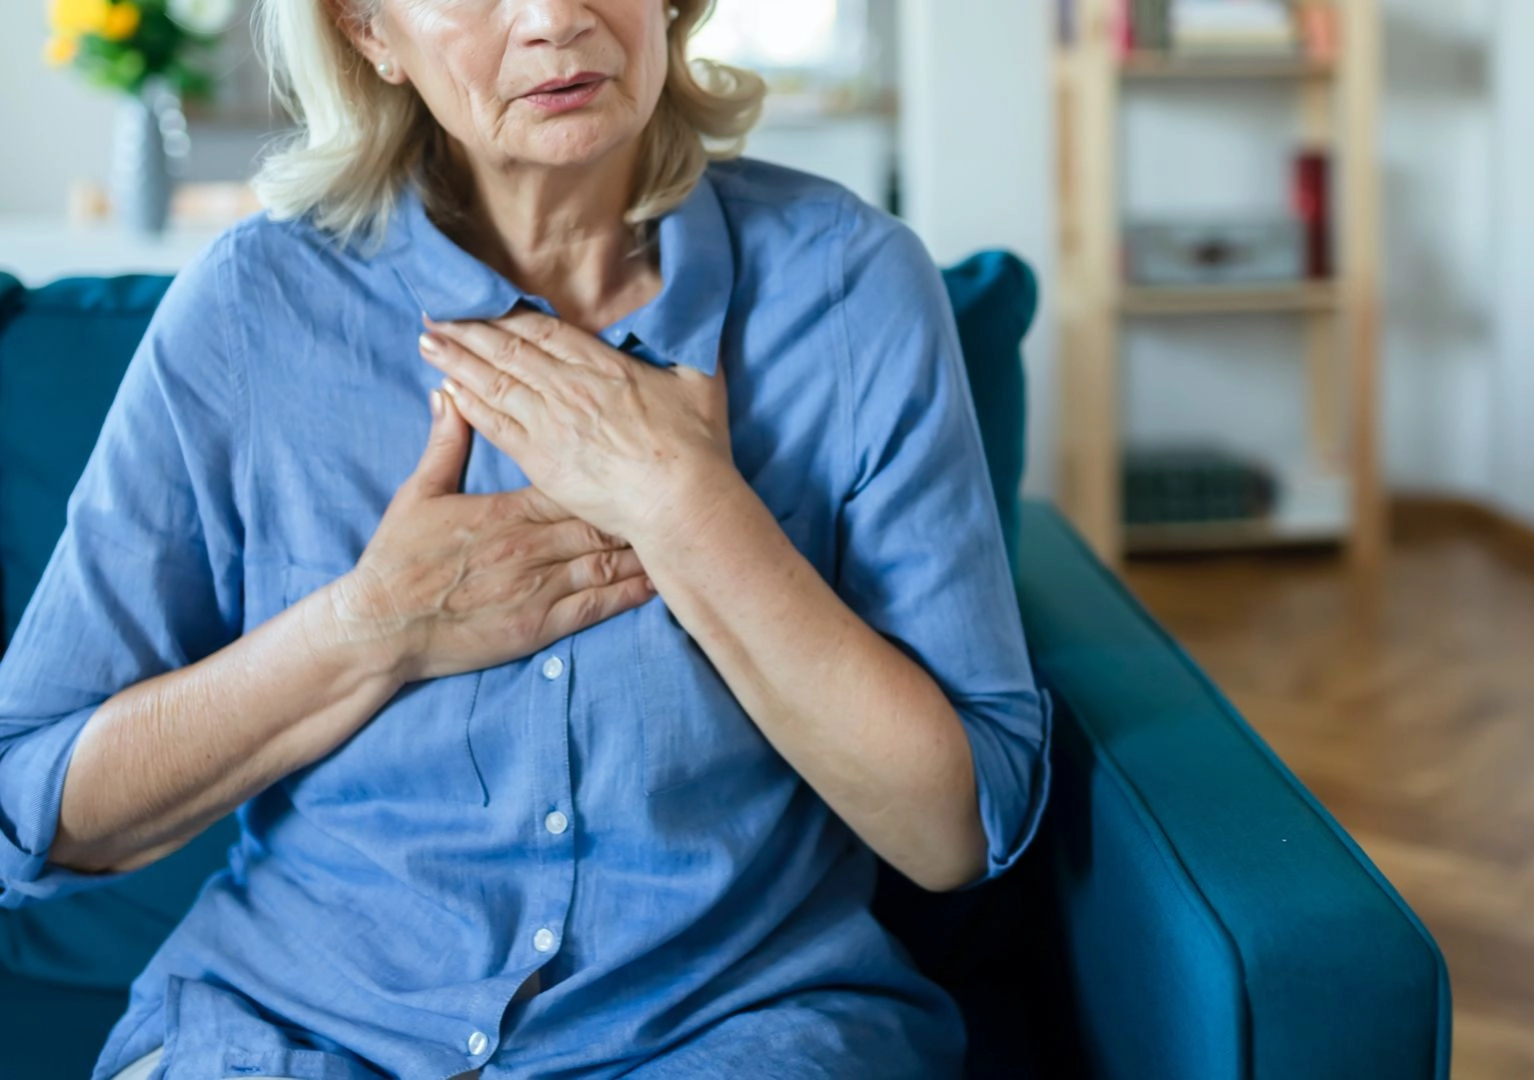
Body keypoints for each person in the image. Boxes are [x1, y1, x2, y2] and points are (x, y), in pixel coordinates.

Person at [0, 0, 1053, 1075]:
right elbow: (31, 799)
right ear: (367, 30)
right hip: (296, 1027)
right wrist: (371, 629)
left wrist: (689, 507)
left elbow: (955, 830)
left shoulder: (850, 285)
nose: (554, 19)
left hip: (731, 1024)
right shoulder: (252, 309)